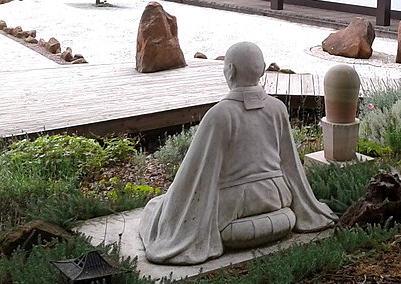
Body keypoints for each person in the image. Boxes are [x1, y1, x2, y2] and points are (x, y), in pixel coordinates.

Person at [139, 41, 337, 265]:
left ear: (230, 70)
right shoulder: (277, 108)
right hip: (277, 199)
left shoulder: (220, 115)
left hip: (233, 210)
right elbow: (291, 166)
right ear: (262, 70)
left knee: (156, 207)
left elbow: (195, 175)